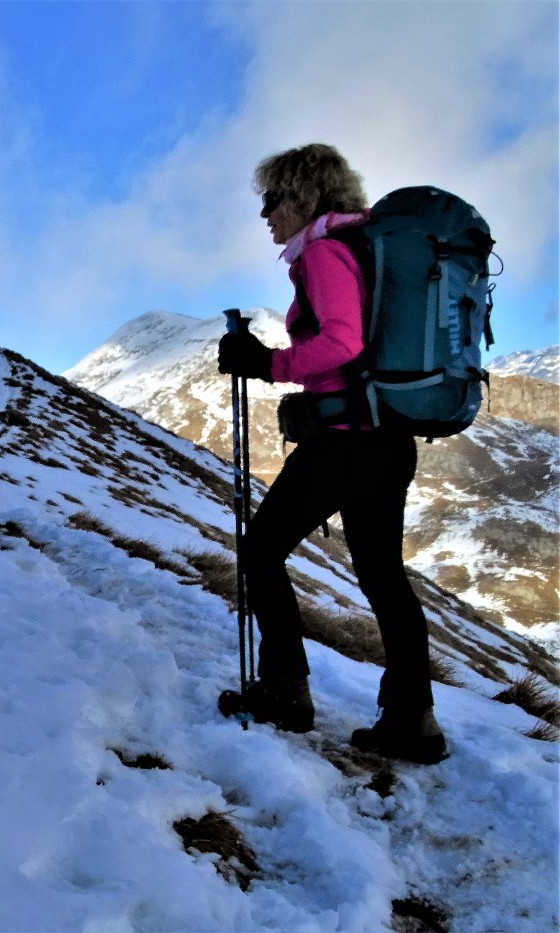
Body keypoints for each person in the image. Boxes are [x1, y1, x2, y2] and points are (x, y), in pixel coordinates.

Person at [216, 143, 447, 765]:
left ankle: (285, 693)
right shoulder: (368, 249)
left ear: (302, 197)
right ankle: (412, 723)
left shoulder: (324, 252)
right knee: (383, 577)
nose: (265, 215)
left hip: (343, 444)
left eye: (271, 200)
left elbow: (341, 342)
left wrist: (267, 363)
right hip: (387, 441)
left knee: (261, 550)